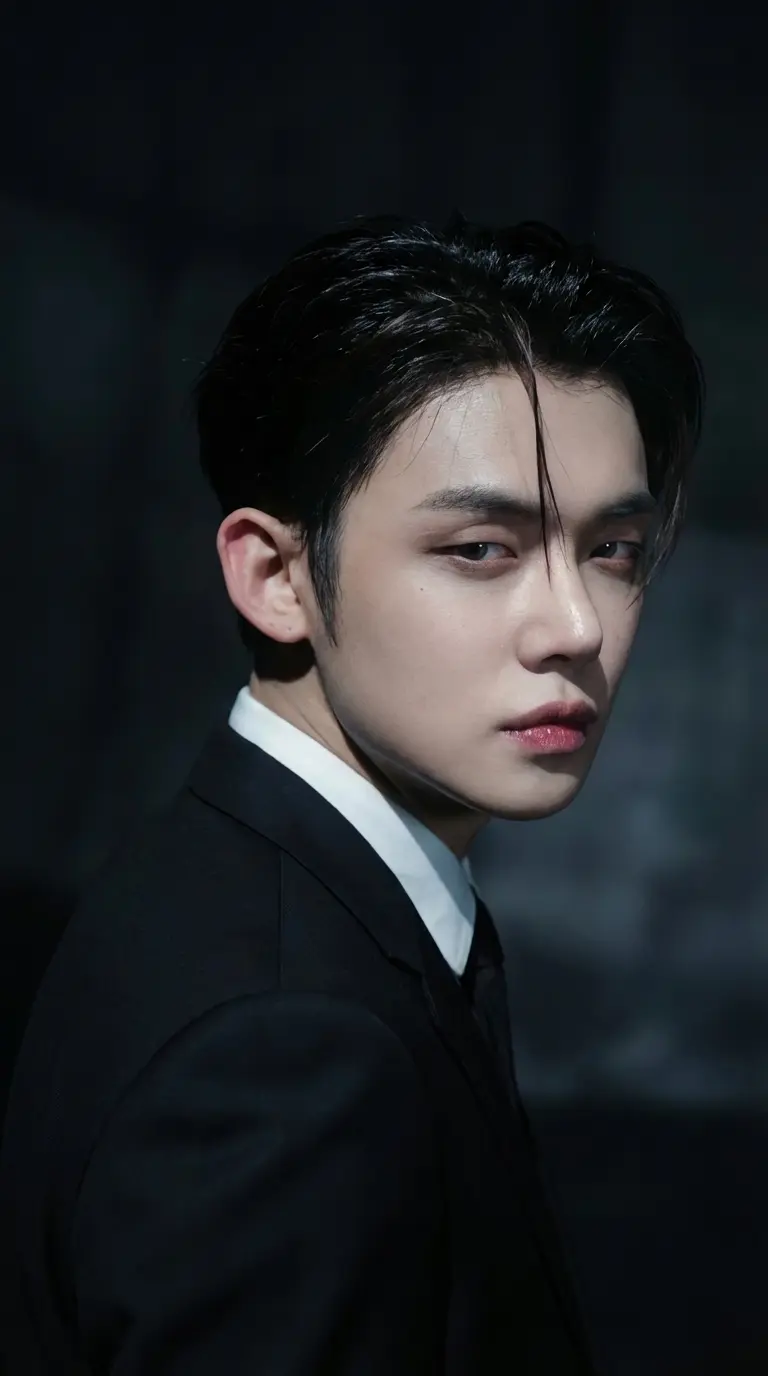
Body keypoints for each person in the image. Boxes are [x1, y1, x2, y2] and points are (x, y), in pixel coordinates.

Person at [0, 213, 703, 1374]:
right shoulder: (283, 1049)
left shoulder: (226, 881)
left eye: (613, 549)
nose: (577, 625)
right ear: (276, 574)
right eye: (481, 548)